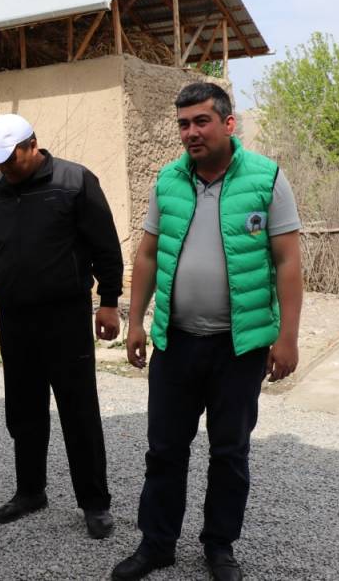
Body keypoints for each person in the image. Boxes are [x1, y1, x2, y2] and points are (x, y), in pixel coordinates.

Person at [111, 83, 303, 581]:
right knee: (164, 451)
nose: (191, 132)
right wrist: (137, 320)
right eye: (183, 124)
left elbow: (287, 261)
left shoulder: (266, 178)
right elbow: (147, 254)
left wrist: (287, 337)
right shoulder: (168, 181)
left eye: (201, 121)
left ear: (228, 123)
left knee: (230, 453)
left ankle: (219, 547)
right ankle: (156, 545)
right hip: (175, 343)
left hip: (238, 348)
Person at [0, 113, 123, 540]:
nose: (3, 166)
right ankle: (30, 491)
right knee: (24, 410)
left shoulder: (74, 181)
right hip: (15, 319)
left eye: (10, 157)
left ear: (32, 145)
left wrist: (109, 302)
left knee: (78, 411)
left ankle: (95, 503)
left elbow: (106, 246)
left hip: (65, 316)